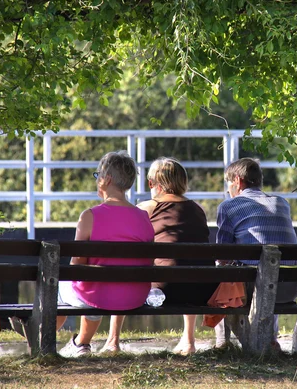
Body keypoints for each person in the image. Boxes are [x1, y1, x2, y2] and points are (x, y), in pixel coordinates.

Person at [101, 157, 218, 355]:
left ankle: (113, 340)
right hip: (201, 290)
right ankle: (189, 341)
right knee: (188, 267)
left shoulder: (146, 208)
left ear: (151, 183)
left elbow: (128, 249)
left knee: (125, 268)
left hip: (163, 291)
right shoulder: (198, 209)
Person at [57, 151, 155, 358]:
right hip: (134, 296)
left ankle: (56, 341)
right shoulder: (143, 217)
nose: (97, 180)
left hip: (98, 295)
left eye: (97, 175)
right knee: (92, 285)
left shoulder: (89, 216)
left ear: (107, 179)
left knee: (60, 285)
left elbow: (76, 267)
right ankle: (80, 343)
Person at [214, 157, 297, 351]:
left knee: (222, 272)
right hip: (289, 288)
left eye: (229, 184)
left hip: (256, 290)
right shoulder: (282, 203)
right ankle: (270, 339)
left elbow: (223, 255)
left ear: (237, 181)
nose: (229, 190)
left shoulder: (228, 206)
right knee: (271, 271)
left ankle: (223, 342)